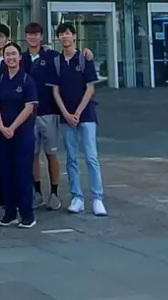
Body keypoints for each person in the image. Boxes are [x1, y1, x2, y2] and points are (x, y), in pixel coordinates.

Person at [53, 22, 106, 216]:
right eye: (61, 34)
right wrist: (66, 113)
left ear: (74, 36)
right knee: (71, 158)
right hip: (66, 116)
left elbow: (90, 88)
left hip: (86, 115)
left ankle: (97, 198)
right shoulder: (57, 62)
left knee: (91, 157)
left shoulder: (84, 59)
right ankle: (77, 197)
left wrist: (77, 111)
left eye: (67, 33)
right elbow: (55, 90)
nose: (64, 37)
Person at [0, 42, 38, 229]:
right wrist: (2, 126)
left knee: (22, 173)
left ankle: (27, 214)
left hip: (22, 134)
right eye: (7, 54)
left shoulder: (27, 80)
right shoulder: (0, 79)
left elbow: (29, 107)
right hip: (2, 135)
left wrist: (13, 127)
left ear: (20, 57)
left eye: (13, 54)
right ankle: (9, 213)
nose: (10, 57)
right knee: (5, 173)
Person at [21, 22, 62, 210]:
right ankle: (36, 192)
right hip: (28, 114)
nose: (33, 37)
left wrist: (86, 54)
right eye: (29, 34)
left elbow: (70, 62)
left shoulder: (52, 56)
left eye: (36, 34)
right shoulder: (21, 58)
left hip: (49, 112)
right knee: (33, 155)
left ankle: (54, 192)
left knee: (52, 154)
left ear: (42, 36)